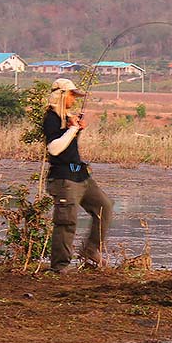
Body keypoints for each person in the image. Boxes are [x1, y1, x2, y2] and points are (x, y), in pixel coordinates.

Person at [43, 78, 113, 273]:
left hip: (80, 175)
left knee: (104, 206)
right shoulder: (51, 119)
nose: (74, 99)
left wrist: (74, 128)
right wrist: (73, 129)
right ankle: (60, 267)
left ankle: (91, 250)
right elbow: (54, 149)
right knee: (67, 222)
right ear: (62, 95)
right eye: (72, 95)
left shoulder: (66, 118)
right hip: (64, 178)